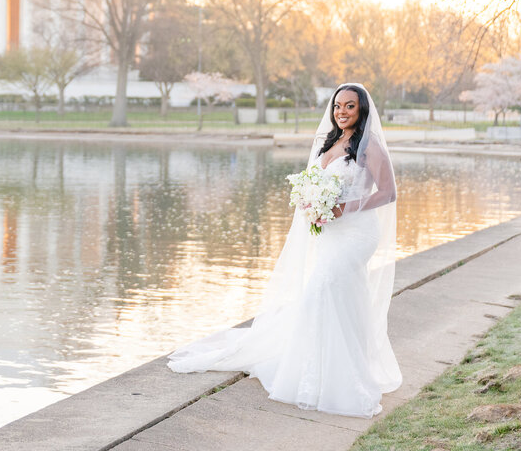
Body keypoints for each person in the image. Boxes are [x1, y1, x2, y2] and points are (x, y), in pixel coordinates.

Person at [168, 83, 402, 417]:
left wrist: (343, 208)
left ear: (362, 109)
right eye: (338, 106)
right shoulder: (330, 141)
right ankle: (319, 372)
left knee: (325, 288)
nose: (342, 111)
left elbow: (388, 193)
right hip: (330, 232)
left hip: (357, 232)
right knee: (333, 296)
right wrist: (313, 202)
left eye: (350, 106)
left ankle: (346, 380)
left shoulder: (370, 145)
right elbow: (316, 183)